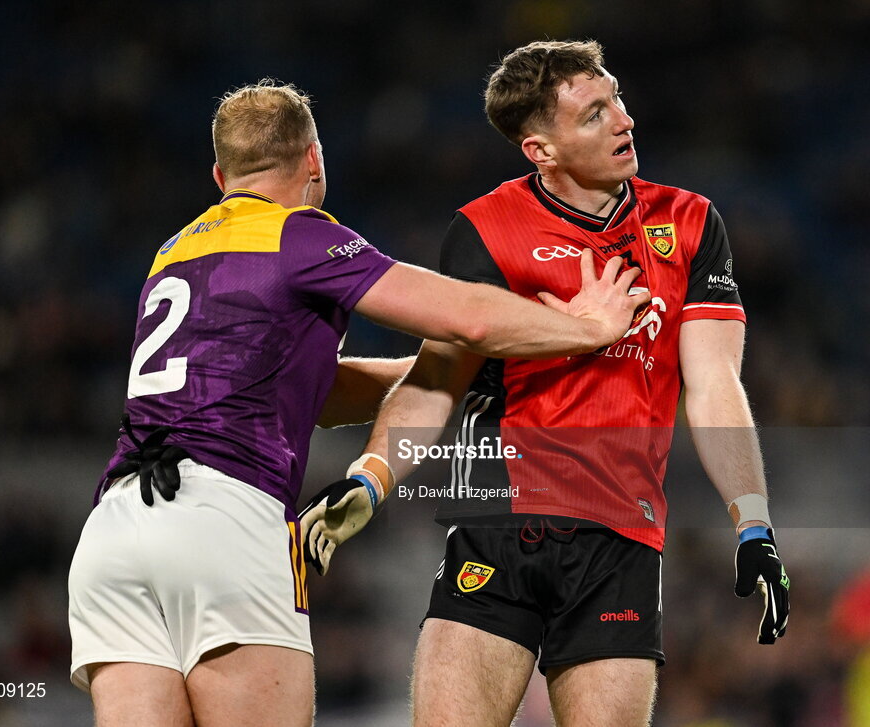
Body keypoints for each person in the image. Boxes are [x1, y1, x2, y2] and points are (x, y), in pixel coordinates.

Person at [66, 78, 648, 727]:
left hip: (114, 532)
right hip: (224, 517)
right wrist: (590, 327)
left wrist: (449, 375)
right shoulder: (299, 235)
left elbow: (311, 389)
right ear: (313, 160)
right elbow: (467, 318)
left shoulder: (173, 253)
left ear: (218, 173)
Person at [301, 40, 790, 726]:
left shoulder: (689, 222)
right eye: (594, 115)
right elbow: (438, 375)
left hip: (621, 540)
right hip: (496, 524)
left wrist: (754, 523)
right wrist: (371, 476)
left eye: (616, 98)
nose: (623, 119)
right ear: (542, 150)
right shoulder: (485, 229)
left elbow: (713, 385)